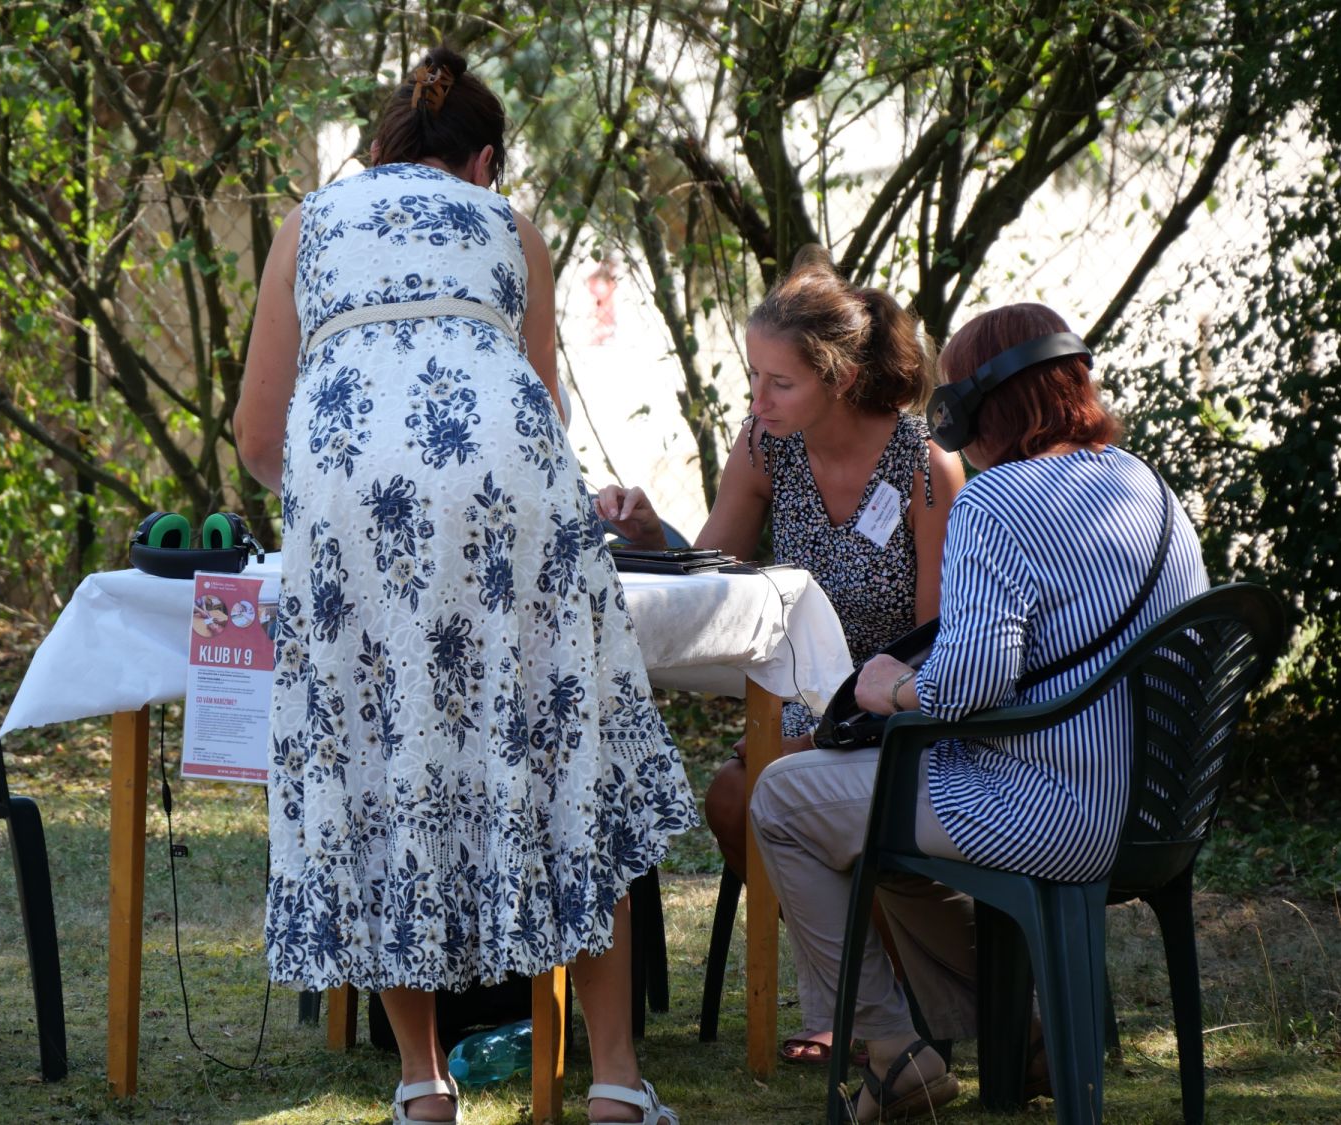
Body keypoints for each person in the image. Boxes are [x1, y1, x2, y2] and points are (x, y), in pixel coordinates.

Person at [234, 46, 696, 1125]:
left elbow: (258, 434)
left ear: (381, 150)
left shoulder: (310, 223)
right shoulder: (510, 227)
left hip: (354, 503)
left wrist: (342, 507)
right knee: (571, 763)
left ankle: (421, 1082)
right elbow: (539, 406)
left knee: (382, 758)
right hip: (505, 497)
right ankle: (616, 1081)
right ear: (485, 160)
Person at [747, 301, 1210, 1120]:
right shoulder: (1148, 485)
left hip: (1050, 811)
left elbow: (965, 686)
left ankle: (893, 1050)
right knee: (879, 828)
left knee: (783, 800)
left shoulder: (996, 503)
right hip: (1157, 818)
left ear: (972, 407)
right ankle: (1017, 1031)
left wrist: (884, 685)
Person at [595, 246, 964, 1064]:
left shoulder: (924, 464)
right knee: (733, 798)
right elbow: (712, 580)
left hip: (894, 713)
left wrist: (827, 732)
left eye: (779, 383)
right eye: (753, 377)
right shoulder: (767, 446)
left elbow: (941, 643)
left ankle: (873, 1010)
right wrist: (650, 535)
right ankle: (862, 998)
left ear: (840, 378)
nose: (757, 401)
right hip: (802, 704)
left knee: (758, 790)